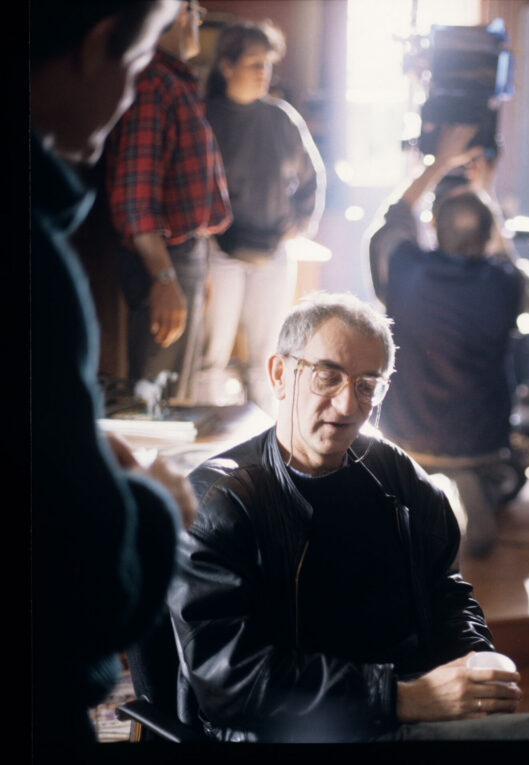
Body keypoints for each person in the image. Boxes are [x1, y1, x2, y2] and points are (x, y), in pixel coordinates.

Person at [166, 292, 529, 742]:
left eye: (366, 385)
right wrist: (401, 697)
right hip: (294, 730)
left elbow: (445, 589)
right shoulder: (220, 499)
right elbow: (225, 680)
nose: (347, 406)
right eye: (328, 377)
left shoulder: (392, 473)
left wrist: (474, 660)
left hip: (404, 707)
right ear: (281, 374)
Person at [30, 0, 198, 744]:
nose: (129, 94)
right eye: (131, 68)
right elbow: (91, 592)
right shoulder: (31, 261)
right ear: (92, 47)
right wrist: (151, 502)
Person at [368, 125, 525, 558]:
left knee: (406, 473)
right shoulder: (504, 283)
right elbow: (508, 259)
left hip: (407, 430)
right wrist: (484, 191)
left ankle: (412, 504)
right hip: (480, 437)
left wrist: (437, 165)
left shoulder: (406, 271)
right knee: (473, 463)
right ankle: (472, 484)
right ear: (487, 234)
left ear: (434, 228)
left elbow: (392, 217)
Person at [195, 19, 326, 416]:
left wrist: (301, 222)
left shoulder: (281, 118)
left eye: (267, 64)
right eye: (254, 63)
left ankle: (264, 443)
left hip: (273, 249)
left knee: (269, 353)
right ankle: (203, 439)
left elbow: (312, 177)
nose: (262, 73)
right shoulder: (206, 117)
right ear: (226, 66)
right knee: (211, 353)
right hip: (219, 250)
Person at [104, 0, 231, 404]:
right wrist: (164, 279)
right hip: (162, 260)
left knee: (174, 397)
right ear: (179, 13)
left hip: (183, 255)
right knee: (155, 405)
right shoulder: (153, 80)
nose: (199, 21)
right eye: (196, 12)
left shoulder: (174, 79)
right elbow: (135, 195)